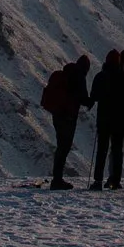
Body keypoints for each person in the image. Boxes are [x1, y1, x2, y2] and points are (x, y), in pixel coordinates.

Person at [89, 50, 124, 190]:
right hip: (120, 120)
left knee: (102, 150)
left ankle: (98, 181)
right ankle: (116, 181)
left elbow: (94, 96)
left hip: (103, 119)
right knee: (117, 149)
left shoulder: (100, 77)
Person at [38, 54, 93, 190]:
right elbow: (83, 98)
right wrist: (92, 100)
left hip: (57, 114)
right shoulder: (79, 76)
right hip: (68, 116)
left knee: (60, 146)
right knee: (64, 146)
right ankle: (57, 180)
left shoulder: (66, 74)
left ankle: (57, 178)